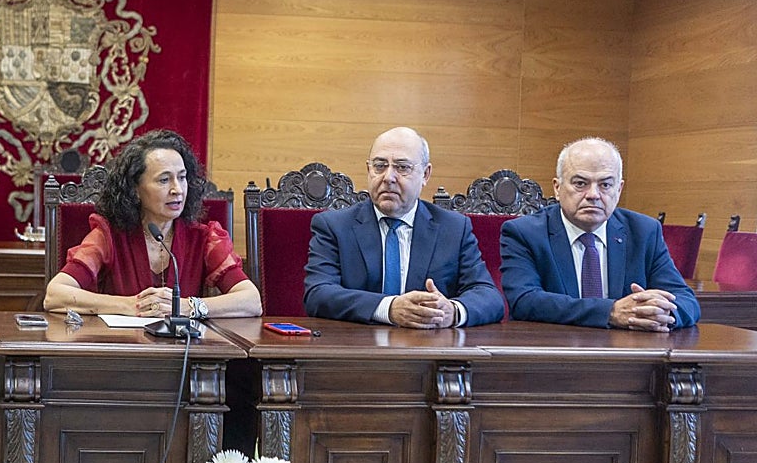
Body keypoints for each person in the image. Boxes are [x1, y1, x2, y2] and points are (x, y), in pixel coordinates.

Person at [43, 129, 261, 319]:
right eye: (164, 180)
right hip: (124, 348)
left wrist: (189, 307)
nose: (178, 190)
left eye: (182, 177)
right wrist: (129, 305)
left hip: (186, 351)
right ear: (135, 189)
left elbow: (251, 300)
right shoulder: (109, 236)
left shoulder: (204, 238)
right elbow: (55, 295)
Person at [303, 126, 504, 327]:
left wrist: (453, 311)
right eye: (379, 166)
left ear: (425, 174)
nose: (388, 177)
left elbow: (489, 296)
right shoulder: (334, 226)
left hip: (428, 343)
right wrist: (389, 308)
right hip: (357, 343)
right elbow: (317, 294)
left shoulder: (453, 228)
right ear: (368, 170)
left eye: (402, 167)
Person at [499, 136, 699, 330]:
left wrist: (660, 313)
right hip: (554, 347)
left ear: (619, 190)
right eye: (580, 183)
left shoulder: (644, 232)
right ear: (557, 188)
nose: (593, 195)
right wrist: (609, 312)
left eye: (605, 185)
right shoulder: (525, 233)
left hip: (627, 349)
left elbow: (685, 300)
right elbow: (524, 301)